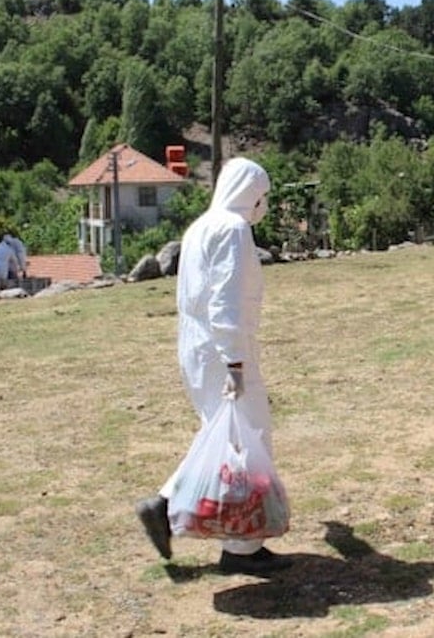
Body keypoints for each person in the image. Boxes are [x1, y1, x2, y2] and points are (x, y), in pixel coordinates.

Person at [135, 157, 292, 576]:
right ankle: (236, 544)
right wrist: (236, 362)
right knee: (247, 439)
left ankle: (186, 513)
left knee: (222, 437)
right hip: (221, 350)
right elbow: (226, 301)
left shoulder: (200, 226)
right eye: (261, 196)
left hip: (197, 347)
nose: (262, 205)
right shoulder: (232, 230)